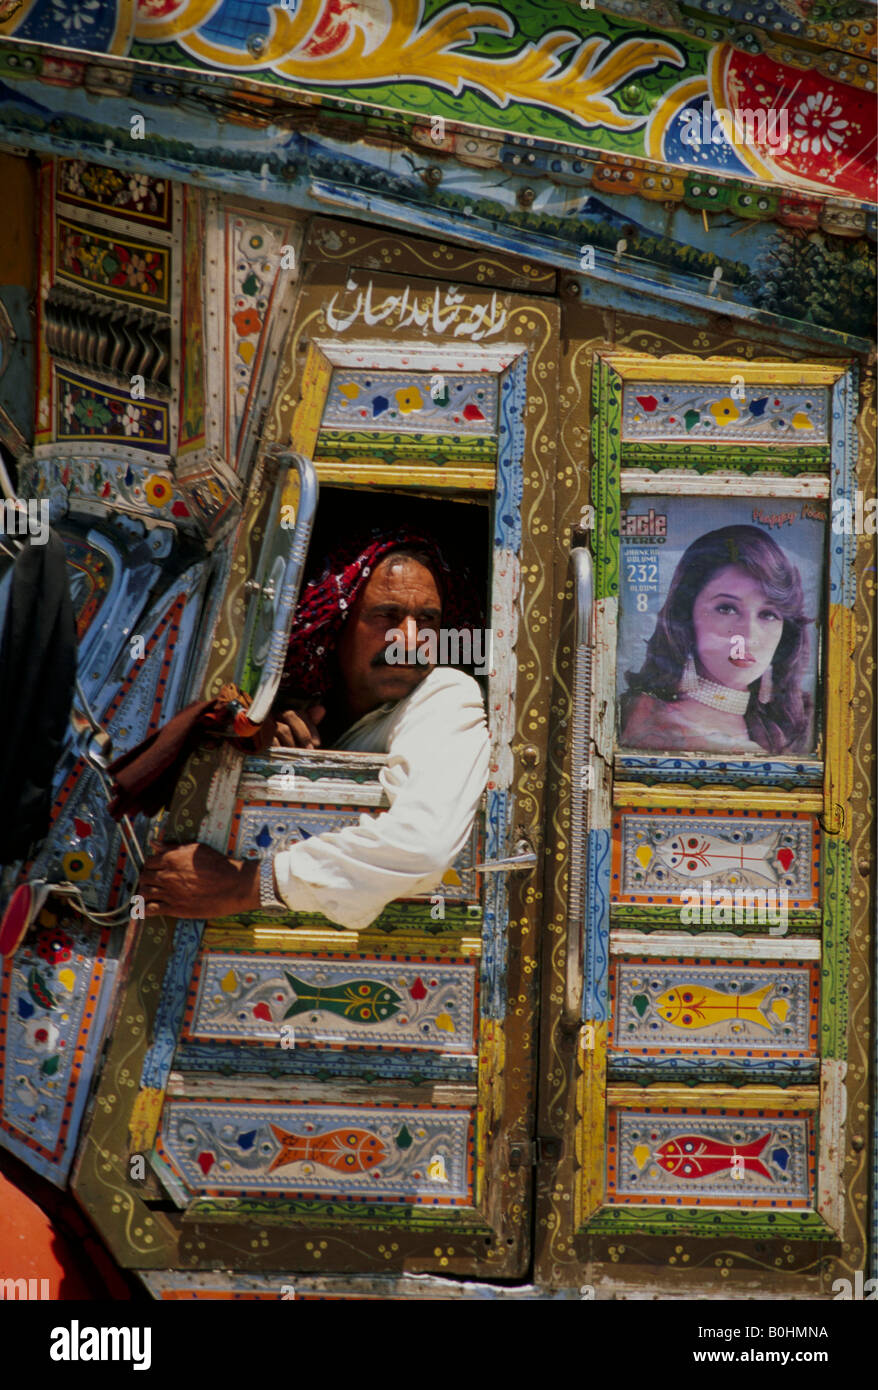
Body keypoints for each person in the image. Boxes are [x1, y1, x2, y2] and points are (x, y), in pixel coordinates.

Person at [138, 527, 490, 928]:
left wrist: (245, 886)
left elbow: (423, 846)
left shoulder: (446, 694)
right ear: (337, 625)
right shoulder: (310, 709)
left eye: (427, 619)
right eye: (386, 616)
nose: (408, 639)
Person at [619, 525, 813, 755]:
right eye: (727, 609)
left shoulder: (782, 727)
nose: (748, 636)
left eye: (768, 614)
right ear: (686, 615)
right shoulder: (648, 722)